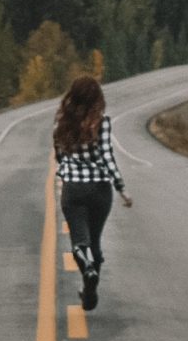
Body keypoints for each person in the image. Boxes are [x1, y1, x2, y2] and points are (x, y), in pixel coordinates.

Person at [51, 74, 131, 310]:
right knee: (95, 240)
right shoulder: (102, 123)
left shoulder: (61, 125)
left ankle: (86, 266)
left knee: (80, 240)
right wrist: (121, 187)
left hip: (73, 189)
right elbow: (107, 156)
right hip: (99, 189)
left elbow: (59, 156)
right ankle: (89, 290)